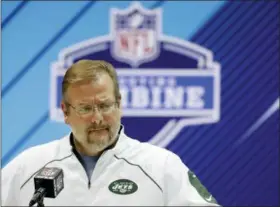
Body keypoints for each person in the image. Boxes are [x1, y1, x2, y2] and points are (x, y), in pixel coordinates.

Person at [1, 60, 220, 206]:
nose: (97, 118)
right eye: (86, 108)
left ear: (119, 105)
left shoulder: (161, 167)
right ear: (65, 112)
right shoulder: (28, 167)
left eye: (105, 106)